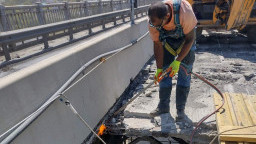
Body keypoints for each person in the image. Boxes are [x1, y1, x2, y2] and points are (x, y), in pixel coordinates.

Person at [147, 0, 197, 121]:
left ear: (167, 16)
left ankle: (180, 110)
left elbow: (190, 39)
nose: (157, 27)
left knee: (184, 74)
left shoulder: (185, 12)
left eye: (159, 25)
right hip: (167, 44)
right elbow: (158, 44)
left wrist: (178, 61)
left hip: (186, 42)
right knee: (164, 75)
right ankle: (163, 106)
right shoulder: (153, 22)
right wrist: (159, 69)